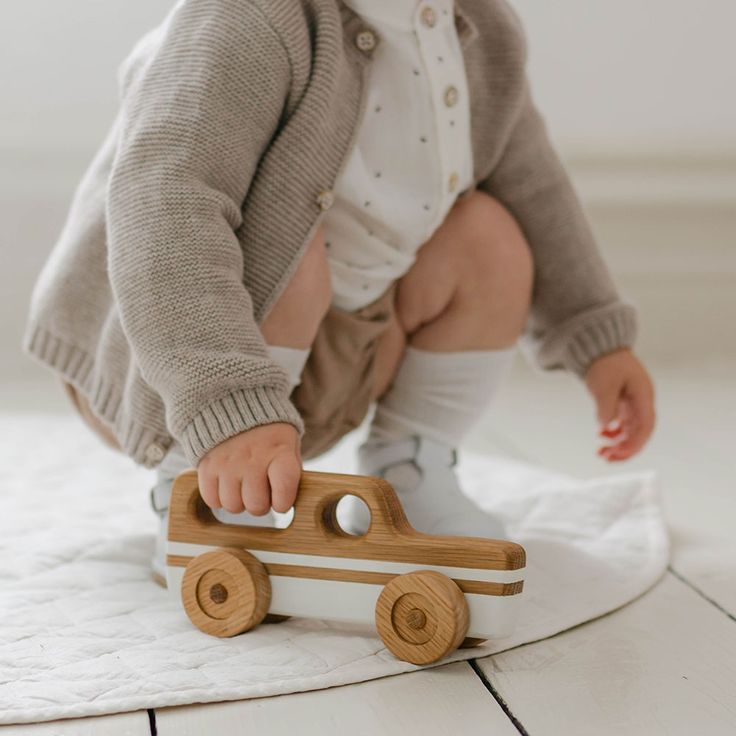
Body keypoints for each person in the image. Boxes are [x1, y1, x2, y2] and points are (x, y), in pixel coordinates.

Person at [24, 0, 655, 583]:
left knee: (490, 237)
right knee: (297, 249)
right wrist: (224, 401)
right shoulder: (248, 19)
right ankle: (198, 492)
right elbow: (162, 204)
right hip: (166, 362)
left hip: (341, 351)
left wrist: (595, 336)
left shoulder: (477, 28)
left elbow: (536, 187)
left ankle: (411, 465)